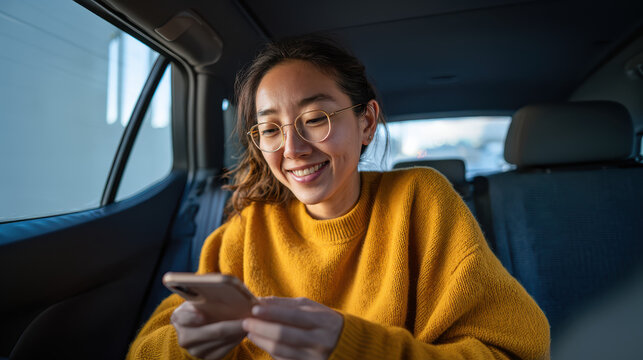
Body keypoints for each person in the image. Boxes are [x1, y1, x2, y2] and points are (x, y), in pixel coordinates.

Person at [127, 36, 550, 360]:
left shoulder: (422, 201)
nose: (292, 149)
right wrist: (183, 346)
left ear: (366, 122)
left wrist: (354, 347)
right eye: (271, 129)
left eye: (314, 119)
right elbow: (143, 350)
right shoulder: (246, 230)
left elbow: (514, 350)